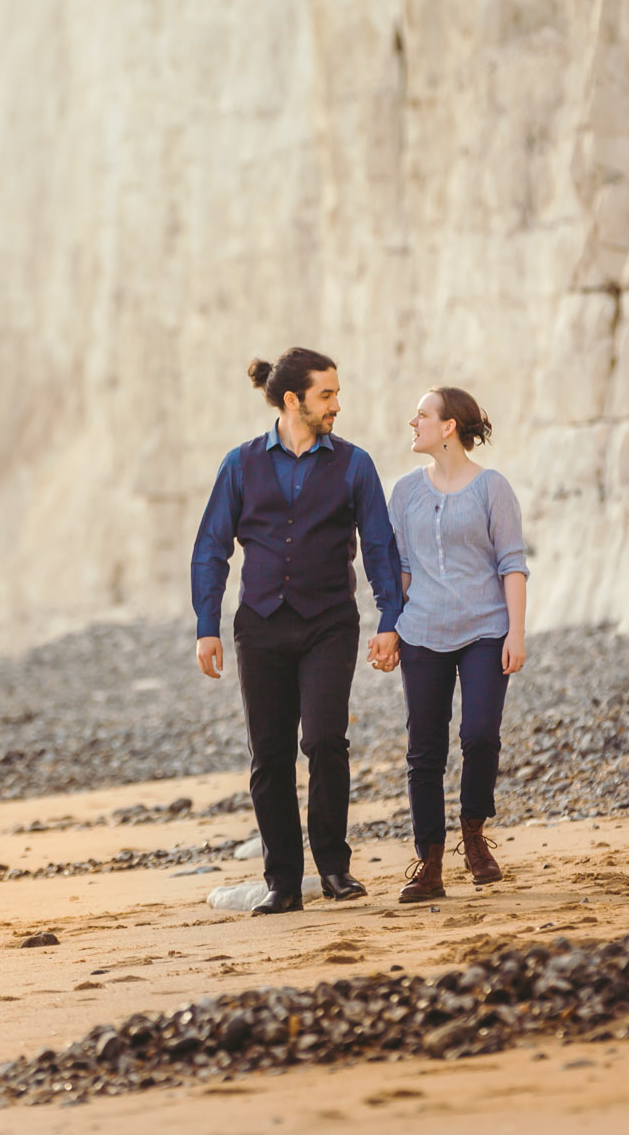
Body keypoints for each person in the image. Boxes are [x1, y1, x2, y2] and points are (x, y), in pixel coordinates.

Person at [191, 348, 404, 912]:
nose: (337, 404)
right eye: (326, 394)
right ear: (294, 400)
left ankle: (334, 867)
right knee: (270, 754)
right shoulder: (239, 464)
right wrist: (205, 626)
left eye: (336, 393)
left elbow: (381, 547)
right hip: (259, 626)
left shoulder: (355, 464)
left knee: (325, 740)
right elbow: (211, 548)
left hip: (329, 622)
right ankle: (282, 882)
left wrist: (391, 618)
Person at [371, 386, 528, 902]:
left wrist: (517, 633)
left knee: (480, 733)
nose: (412, 423)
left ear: (449, 428)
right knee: (424, 750)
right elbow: (403, 572)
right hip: (421, 634)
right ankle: (430, 863)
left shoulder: (492, 488)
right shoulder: (405, 492)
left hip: (485, 629)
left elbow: (512, 564)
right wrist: (388, 628)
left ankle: (474, 834)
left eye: (421, 416)